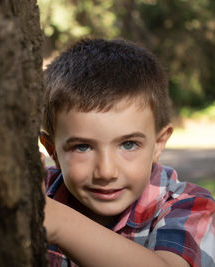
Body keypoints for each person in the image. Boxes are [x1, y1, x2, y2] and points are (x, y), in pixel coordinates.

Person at [40, 38, 215, 267]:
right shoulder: (43, 193)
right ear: (52, 150)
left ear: (159, 144)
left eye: (129, 144)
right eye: (82, 147)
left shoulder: (189, 207)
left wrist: (56, 220)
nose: (106, 172)